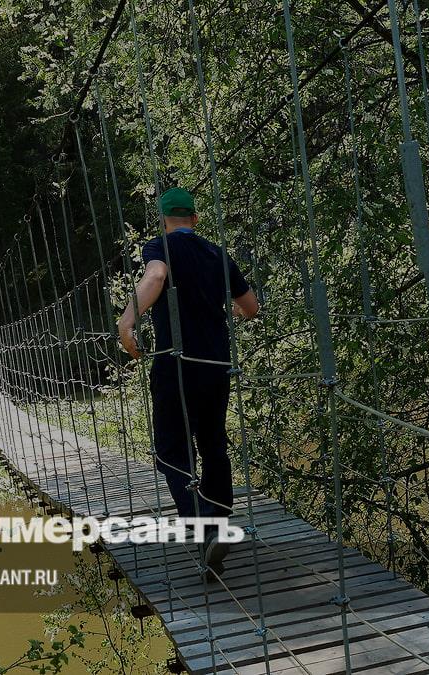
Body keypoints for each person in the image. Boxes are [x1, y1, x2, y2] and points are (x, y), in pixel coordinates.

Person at [117, 187, 260, 577]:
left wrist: (127, 321)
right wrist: (221, 309)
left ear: (164, 221)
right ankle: (220, 523)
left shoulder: (159, 246)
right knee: (213, 442)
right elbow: (250, 308)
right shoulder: (218, 254)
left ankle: (204, 526)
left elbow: (156, 275)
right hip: (217, 364)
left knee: (171, 450)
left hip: (176, 365)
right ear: (195, 219)